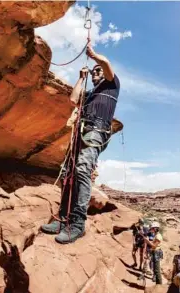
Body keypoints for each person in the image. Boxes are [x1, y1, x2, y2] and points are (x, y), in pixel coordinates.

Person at [41, 43, 120, 244]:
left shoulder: (112, 85)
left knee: (83, 170)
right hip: (81, 132)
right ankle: (62, 219)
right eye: (94, 72)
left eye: (98, 71)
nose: (95, 73)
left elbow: (106, 64)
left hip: (96, 132)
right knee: (68, 173)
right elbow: (73, 99)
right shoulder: (90, 94)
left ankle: (77, 224)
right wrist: (81, 78)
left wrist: (93, 56)